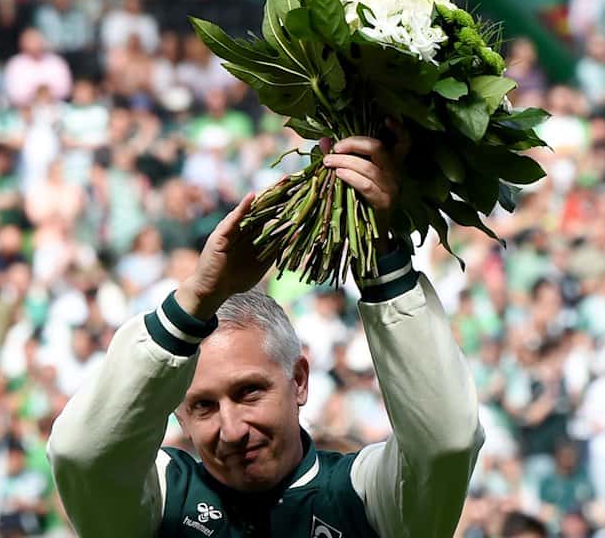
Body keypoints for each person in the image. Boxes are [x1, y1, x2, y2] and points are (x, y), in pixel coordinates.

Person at [47, 131, 485, 537]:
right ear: (176, 415)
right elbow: (82, 457)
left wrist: (382, 255)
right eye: (202, 406)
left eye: (248, 392)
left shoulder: (367, 498)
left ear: (299, 380)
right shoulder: (158, 502)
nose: (232, 430)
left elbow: (446, 444)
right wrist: (196, 298)